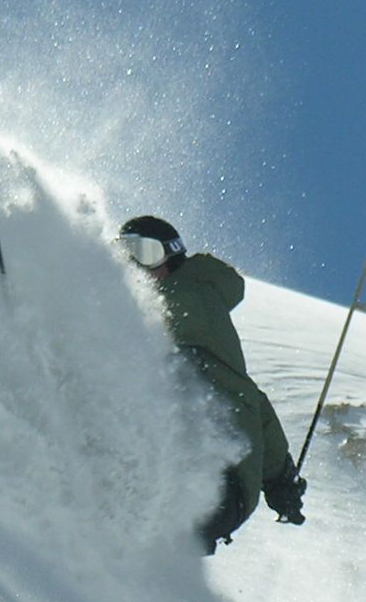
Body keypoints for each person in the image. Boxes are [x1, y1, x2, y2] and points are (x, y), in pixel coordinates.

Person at [117, 215, 307, 552]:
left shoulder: (182, 298)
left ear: (171, 256)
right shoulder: (199, 308)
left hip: (207, 475)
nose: (134, 265)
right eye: (123, 254)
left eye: (143, 253)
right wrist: (281, 482)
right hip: (225, 492)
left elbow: (121, 332)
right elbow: (256, 408)